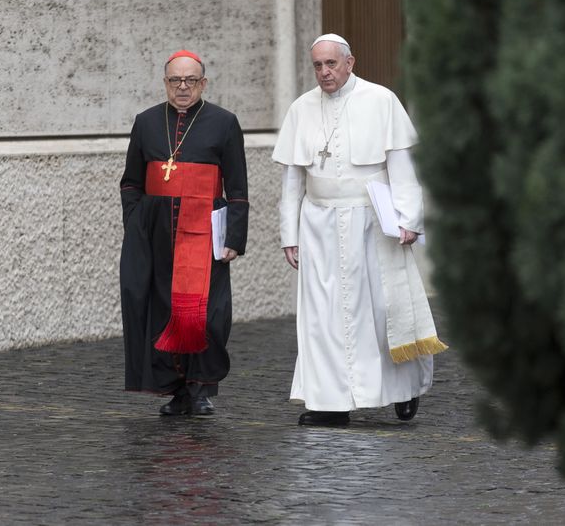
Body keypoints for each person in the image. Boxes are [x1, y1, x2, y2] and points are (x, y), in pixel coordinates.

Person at [272, 34, 447, 427]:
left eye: (331, 64)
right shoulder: (301, 109)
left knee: (384, 312)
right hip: (317, 224)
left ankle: (405, 389)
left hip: (372, 221)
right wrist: (290, 234)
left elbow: (401, 169)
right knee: (322, 316)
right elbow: (291, 182)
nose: (324, 72)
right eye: (317, 65)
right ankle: (329, 403)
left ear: (350, 63)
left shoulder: (381, 101)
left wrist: (408, 221)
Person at [120, 49, 249, 416]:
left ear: (203, 83)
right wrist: (136, 222)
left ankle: (202, 386)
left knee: (207, 314)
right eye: (175, 80)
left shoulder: (224, 123)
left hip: (203, 233)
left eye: (190, 80)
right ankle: (176, 390)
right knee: (162, 311)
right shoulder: (146, 122)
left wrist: (234, 239)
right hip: (156, 236)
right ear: (165, 82)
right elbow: (131, 183)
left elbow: (237, 187)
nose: (182, 87)